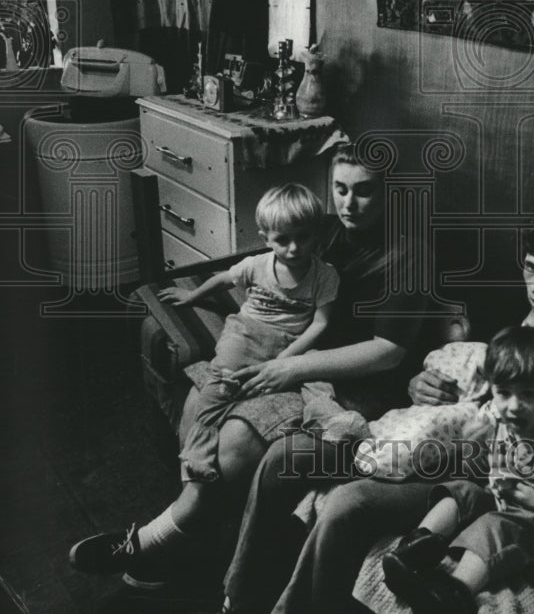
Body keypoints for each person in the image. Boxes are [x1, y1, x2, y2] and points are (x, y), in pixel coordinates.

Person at [207, 224, 534, 614]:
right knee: (286, 458)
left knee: (348, 502)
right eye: (531, 268)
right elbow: (442, 355)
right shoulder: (502, 308)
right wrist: (419, 381)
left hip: (474, 472)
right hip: (424, 428)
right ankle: (238, 607)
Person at [67, 143, 428, 593]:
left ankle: (153, 543)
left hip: (353, 379)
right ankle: (194, 534)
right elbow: (276, 270)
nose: (348, 203)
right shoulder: (327, 229)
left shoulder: (408, 253)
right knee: (202, 398)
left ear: (390, 191)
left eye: (365, 191)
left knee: (236, 440)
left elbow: (388, 351)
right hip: (295, 354)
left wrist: (292, 368)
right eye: (340, 188)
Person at [69, 183, 339, 585]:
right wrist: (191, 297)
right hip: (246, 334)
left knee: (271, 395)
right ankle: (195, 470)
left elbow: (321, 323)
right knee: (216, 390)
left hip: (287, 348)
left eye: (304, 238)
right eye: (284, 240)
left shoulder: (324, 275)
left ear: (318, 234)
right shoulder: (258, 265)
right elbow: (225, 280)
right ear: (266, 238)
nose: (295, 249)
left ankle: (163, 539)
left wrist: (288, 361)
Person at [381, 326, 534, 614]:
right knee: (462, 491)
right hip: (499, 496)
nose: (513, 406)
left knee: (495, 525)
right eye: (504, 393)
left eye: (527, 394)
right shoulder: (494, 415)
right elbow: (475, 460)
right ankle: (416, 550)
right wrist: (471, 446)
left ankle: (454, 596)